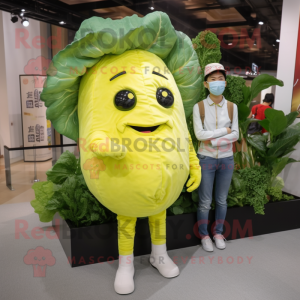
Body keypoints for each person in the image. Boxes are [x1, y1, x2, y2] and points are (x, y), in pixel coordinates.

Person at [193, 63, 239, 252]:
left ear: (225, 83)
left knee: (221, 199)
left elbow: (235, 134)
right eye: (213, 80)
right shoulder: (199, 107)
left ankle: (218, 232)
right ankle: (204, 235)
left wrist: (214, 140)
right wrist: (223, 131)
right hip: (206, 159)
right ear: (206, 84)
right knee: (204, 200)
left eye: (220, 79)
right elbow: (199, 135)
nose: (217, 82)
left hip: (227, 158)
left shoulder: (231, 107)